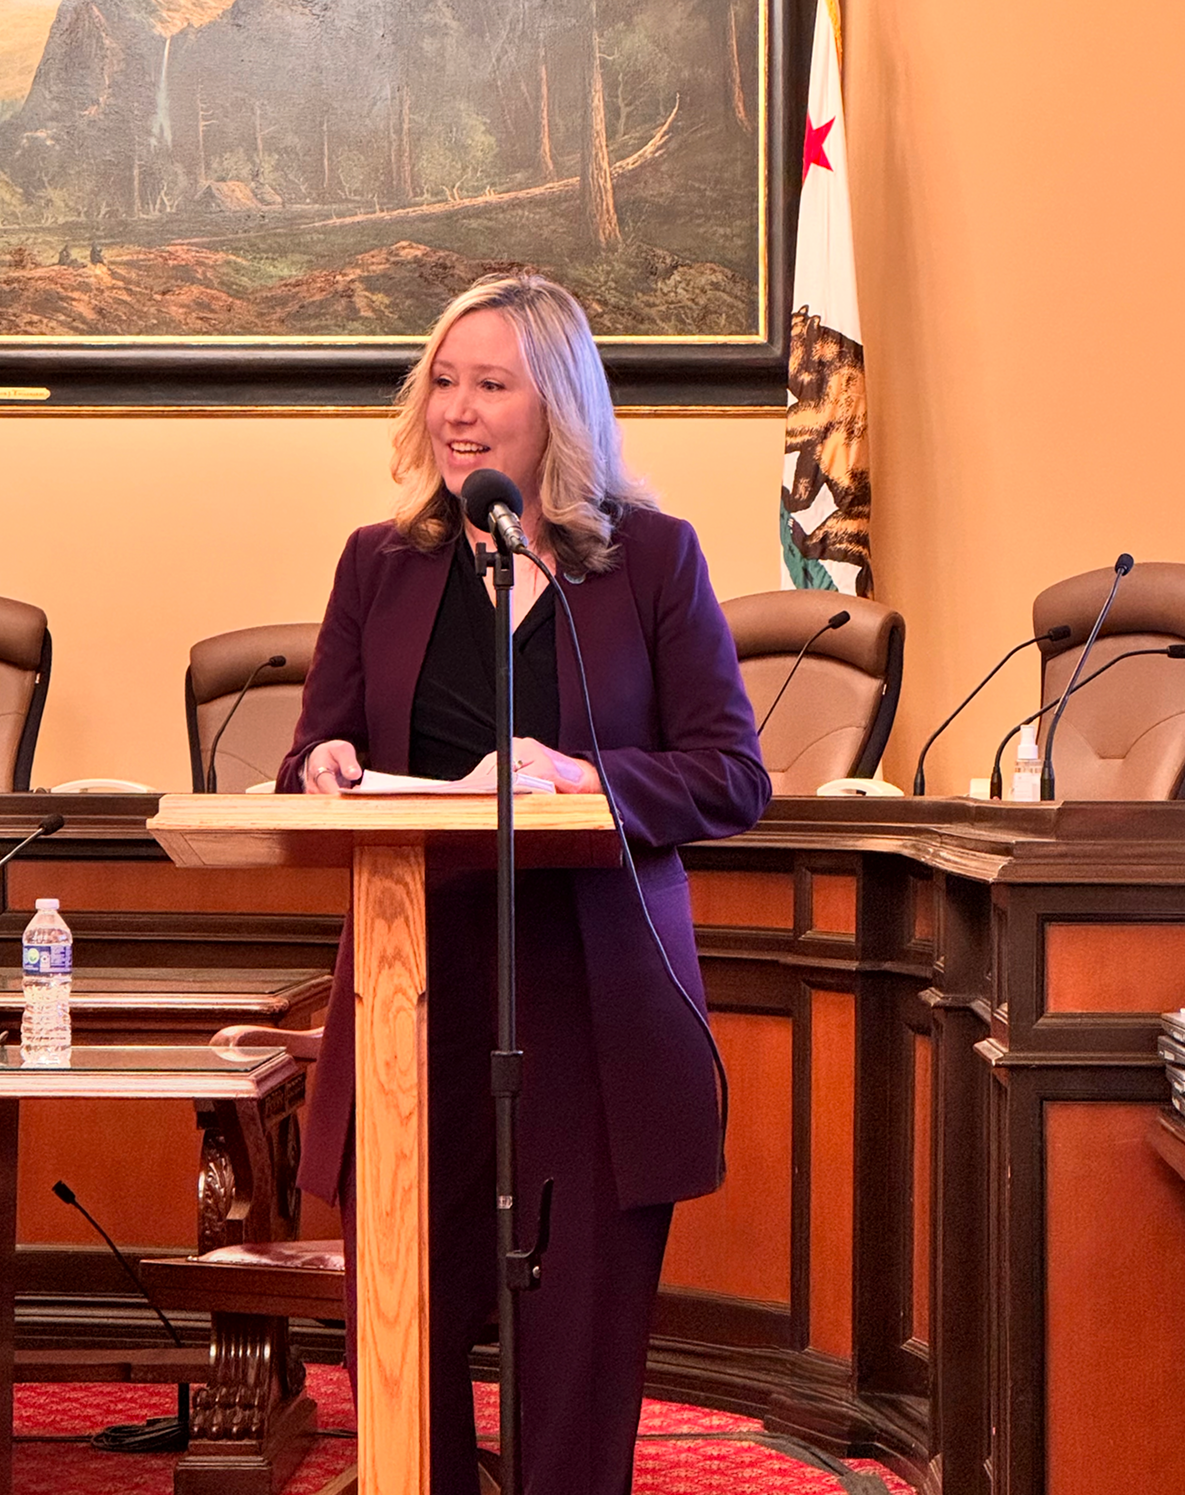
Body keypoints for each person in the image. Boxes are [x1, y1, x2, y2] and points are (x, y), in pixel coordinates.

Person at [276, 272, 771, 1495]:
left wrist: (579, 775)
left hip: (599, 1012)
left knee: (576, 1381)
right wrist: (322, 766)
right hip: (413, 1007)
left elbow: (732, 773)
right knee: (406, 1360)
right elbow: (308, 759)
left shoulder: (654, 560)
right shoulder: (377, 566)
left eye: (489, 384)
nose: (456, 411)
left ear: (557, 405)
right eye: (442, 381)